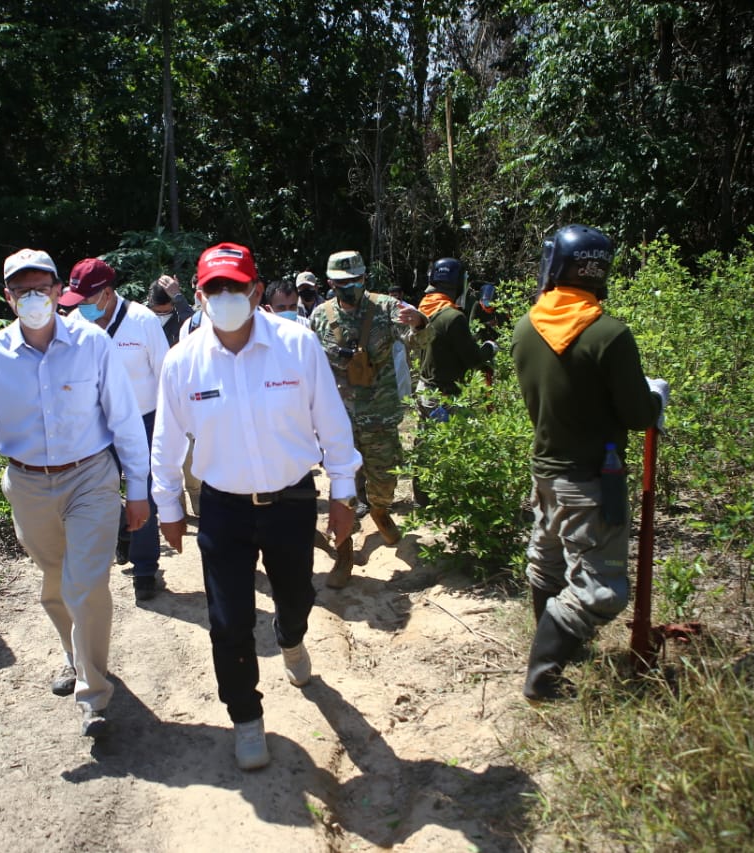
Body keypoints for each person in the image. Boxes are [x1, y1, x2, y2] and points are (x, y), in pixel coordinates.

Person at [152, 242, 361, 770]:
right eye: (213, 288)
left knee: (296, 598)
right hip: (224, 508)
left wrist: (343, 492)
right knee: (228, 620)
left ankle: (291, 639)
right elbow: (168, 441)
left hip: (292, 501)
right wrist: (168, 505)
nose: (224, 297)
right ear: (198, 295)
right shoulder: (183, 361)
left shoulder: (297, 344)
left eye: (234, 287)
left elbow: (331, 420)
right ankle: (245, 715)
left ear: (256, 290)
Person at [0, 248, 149, 738]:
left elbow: (124, 420)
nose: (33, 298)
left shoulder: (92, 344)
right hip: (28, 484)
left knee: (87, 584)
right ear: (8, 298)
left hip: (90, 478)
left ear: (59, 291)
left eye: (42, 288)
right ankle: (74, 653)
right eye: (22, 291)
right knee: (57, 581)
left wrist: (140, 488)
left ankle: (93, 695)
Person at [510, 225, 669, 702]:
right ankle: (543, 676)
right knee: (603, 590)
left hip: (546, 470)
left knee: (548, 559)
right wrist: (654, 398)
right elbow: (639, 414)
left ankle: (557, 650)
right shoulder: (609, 334)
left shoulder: (525, 327)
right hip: (592, 478)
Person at [310, 250, 431, 587]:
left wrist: (420, 322)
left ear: (365, 279)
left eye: (356, 282)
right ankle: (344, 552)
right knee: (341, 485)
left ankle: (379, 511)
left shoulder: (387, 308)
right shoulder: (320, 316)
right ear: (331, 283)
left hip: (379, 412)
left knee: (384, 479)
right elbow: (312, 364)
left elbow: (422, 340)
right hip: (339, 418)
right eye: (342, 283)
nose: (349, 289)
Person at [59, 257, 170, 603]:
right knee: (99, 493)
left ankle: (145, 570)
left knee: (145, 492)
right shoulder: (75, 323)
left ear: (107, 293)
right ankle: (123, 529)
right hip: (96, 424)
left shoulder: (143, 322)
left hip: (143, 421)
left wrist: (172, 426)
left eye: (87, 300)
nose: (81, 309)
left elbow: (167, 375)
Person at [417, 258, 498, 406]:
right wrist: (490, 347)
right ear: (459, 283)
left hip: (424, 390)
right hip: (444, 396)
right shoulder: (454, 317)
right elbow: (473, 359)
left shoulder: (425, 308)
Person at [148, 275, 195, 348]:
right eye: (157, 311)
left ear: (174, 304)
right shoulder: (139, 316)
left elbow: (196, 328)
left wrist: (178, 296)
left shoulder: (182, 313)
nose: (162, 314)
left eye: (166, 311)